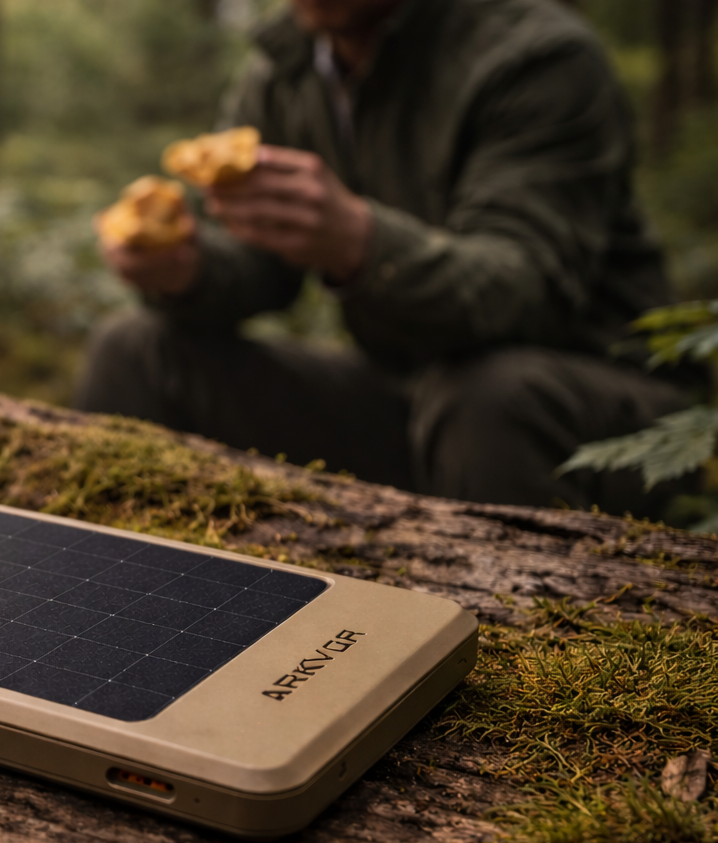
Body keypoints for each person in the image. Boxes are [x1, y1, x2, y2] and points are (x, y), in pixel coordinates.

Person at [77, 0, 695, 515]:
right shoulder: (285, 73)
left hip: (610, 418)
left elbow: (525, 288)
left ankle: (522, 652)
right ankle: (113, 619)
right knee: (135, 350)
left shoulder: (533, 58)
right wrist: (187, 271)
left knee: (487, 394)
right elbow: (257, 266)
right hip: (412, 401)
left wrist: (359, 242)